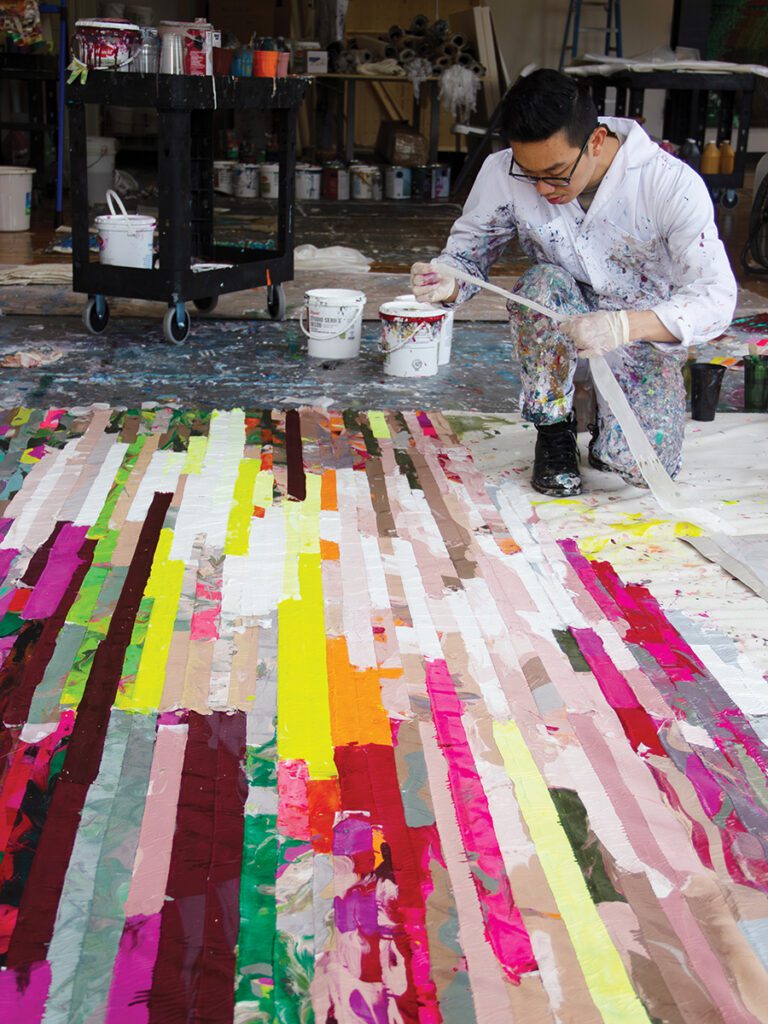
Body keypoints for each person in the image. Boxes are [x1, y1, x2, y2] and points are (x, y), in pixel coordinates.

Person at [410, 68, 737, 496]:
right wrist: (447, 282)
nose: (543, 188)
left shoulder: (668, 184)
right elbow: (468, 257)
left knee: (642, 467)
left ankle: (605, 424)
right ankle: (554, 428)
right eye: (530, 173)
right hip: (555, 332)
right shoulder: (503, 172)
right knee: (541, 284)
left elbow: (717, 298)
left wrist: (623, 326)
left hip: (635, 336)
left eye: (558, 172)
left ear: (596, 142)